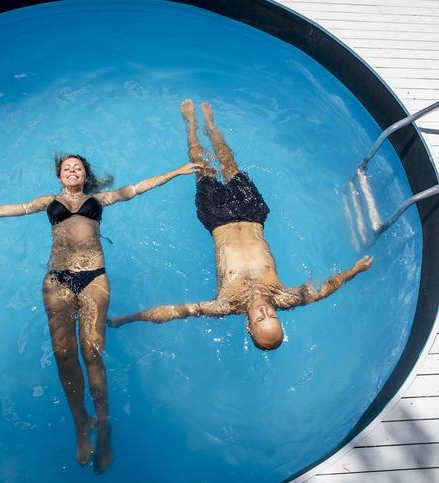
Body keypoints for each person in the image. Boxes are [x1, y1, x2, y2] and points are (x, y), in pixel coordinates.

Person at [0, 153, 202, 472]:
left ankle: (104, 425)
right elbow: (10, 209)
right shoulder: (48, 201)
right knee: (63, 352)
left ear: (85, 175)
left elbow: (137, 188)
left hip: (94, 276)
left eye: (77, 168)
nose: (72, 171)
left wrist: (178, 171)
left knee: (92, 350)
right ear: (60, 176)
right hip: (57, 278)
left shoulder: (99, 199)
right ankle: (81, 423)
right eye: (66, 168)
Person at [109, 100, 373, 350]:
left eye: (260, 319)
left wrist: (130, 318)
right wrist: (355, 271)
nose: (264, 311)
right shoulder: (284, 297)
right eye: (271, 316)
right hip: (252, 214)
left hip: (217, 219)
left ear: (248, 326)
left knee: (201, 167)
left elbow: (179, 311)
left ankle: (190, 124)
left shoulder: (225, 304)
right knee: (229, 162)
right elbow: (323, 290)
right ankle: (211, 125)